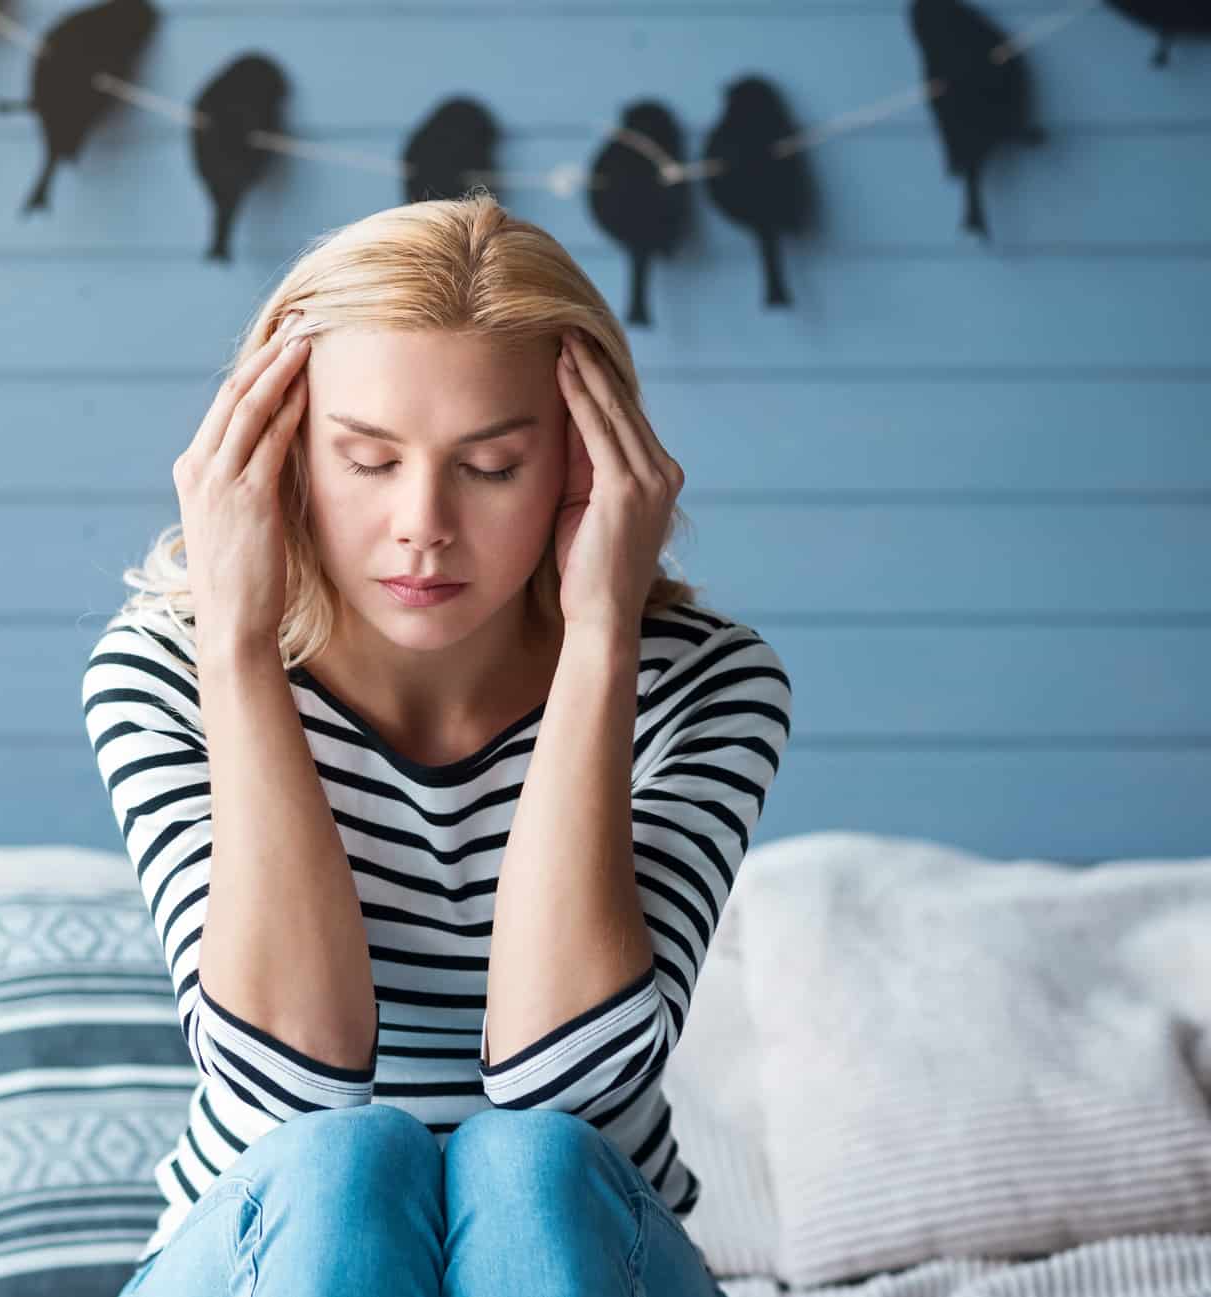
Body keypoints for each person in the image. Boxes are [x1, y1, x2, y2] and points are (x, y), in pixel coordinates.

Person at [79, 190, 792, 1297]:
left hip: (587, 1252)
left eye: (492, 466)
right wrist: (237, 646)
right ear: (275, 456)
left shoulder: (704, 683)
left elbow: (565, 1080)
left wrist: (599, 638)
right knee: (345, 1160)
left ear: (582, 467)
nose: (423, 523)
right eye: (366, 460)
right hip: (266, 1252)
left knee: (534, 1161)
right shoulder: (170, 668)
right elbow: (288, 1088)